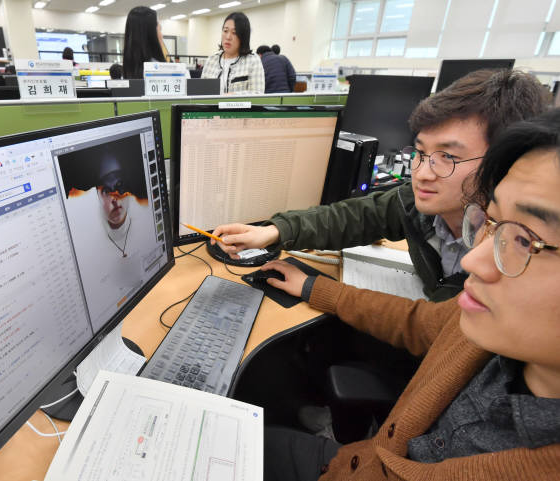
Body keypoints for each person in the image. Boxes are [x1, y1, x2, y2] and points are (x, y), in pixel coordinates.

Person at [263, 108, 560, 481]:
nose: (476, 260)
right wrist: (311, 285)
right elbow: (420, 321)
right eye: (492, 223)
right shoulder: (490, 327)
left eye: (523, 240)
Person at [212, 69, 550, 301]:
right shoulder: (423, 205)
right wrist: (274, 231)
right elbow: (357, 216)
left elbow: (436, 327)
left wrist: (320, 291)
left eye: (446, 156)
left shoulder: (518, 255)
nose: (422, 172)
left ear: (504, 165)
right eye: (419, 153)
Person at [201, 12, 264, 94]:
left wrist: (231, 97)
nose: (228, 37)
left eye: (234, 33)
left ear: (243, 36)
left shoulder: (253, 60)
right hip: (211, 107)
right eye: (225, 31)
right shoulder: (211, 60)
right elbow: (201, 94)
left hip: (240, 107)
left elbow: (258, 94)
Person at [122, 6, 166, 79]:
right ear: (151, 34)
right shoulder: (159, 70)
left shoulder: (129, 69)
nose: (162, 35)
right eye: (160, 29)